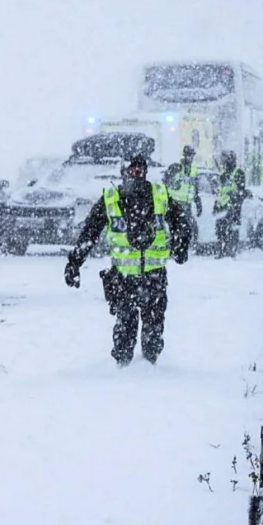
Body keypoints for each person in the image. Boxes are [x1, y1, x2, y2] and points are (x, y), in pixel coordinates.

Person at [63, 154, 192, 367]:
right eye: (132, 169)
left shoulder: (160, 195)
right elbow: (90, 233)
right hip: (123, 278)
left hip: (154, 276)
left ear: (146, 171)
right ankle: (122, 374)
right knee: (125, 327)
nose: (136, 173)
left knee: (154, 330)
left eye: (140, 169)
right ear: (124, 172)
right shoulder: (111, 198)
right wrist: (74, 262)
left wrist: (180, 245)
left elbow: (181, 222)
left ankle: (151, 371)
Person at [212, 150, 247, 258]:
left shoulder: (238, 172)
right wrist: (216, 204)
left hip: (233, 207)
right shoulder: (223, 174)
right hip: (222, 207)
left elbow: (241, 191)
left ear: (230, 159)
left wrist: (235, 201)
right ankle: (221, 252)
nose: (223, 161)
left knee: (232, 230)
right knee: (220, 230)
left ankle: (231, 252)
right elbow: (220, 191)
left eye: (225, 159)